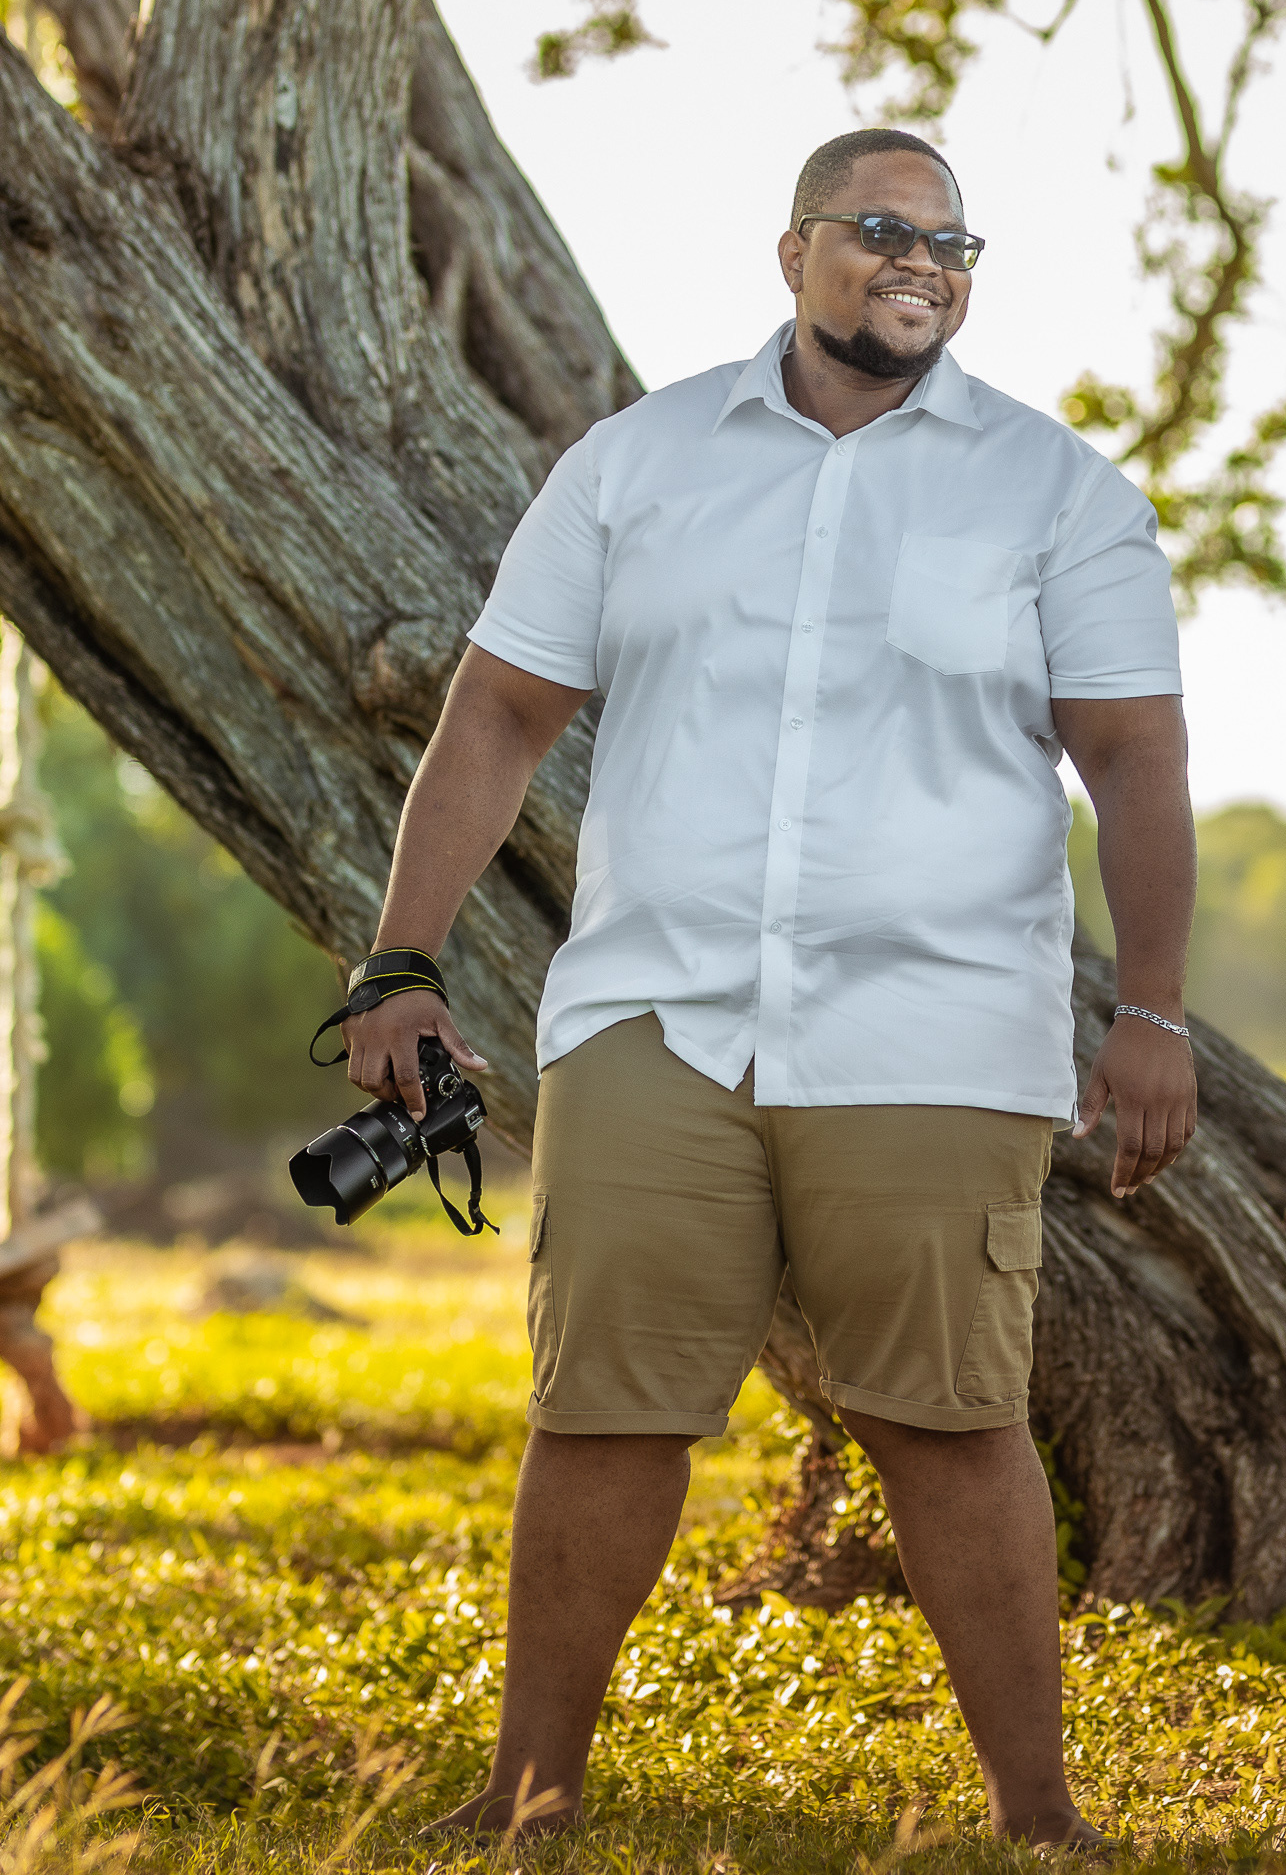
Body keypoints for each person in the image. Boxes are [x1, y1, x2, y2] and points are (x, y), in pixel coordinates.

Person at [337, 126, 1197, 1849]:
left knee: (948, 1420)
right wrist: (400, 959)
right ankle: (526, 1799)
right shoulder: (634, 464)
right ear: (795, 250)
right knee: (600, 1412)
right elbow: (499, 712)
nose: (921, 263)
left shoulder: (1060, 494)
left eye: (952, 244)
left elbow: (1136, 759)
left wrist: (1154, 1011)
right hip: (656, 1019)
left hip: (937, 1027)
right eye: (883, 229)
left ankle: (1039, 1820)